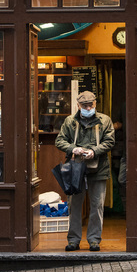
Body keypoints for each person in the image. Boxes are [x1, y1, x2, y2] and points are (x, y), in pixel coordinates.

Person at [55, 90, 115, 252]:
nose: (88, 107)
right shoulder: (70, 121)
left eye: (91, 105)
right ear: (78, 105)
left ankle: (94, 240)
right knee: (74, 205)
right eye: (84, 105)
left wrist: (95, 151)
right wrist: (74, 149)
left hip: (99, 168)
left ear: (95, 104)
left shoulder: (105, 121)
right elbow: (59, 140)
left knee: (97, 205)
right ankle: (73, 240)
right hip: (75, 169)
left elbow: (110, 141)